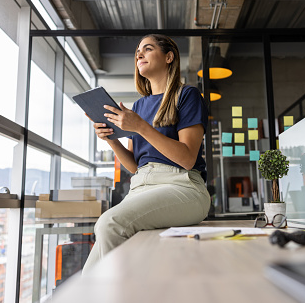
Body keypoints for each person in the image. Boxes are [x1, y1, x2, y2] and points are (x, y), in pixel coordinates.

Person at [82, 34, 211, 273]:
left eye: (147, 49)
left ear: (169, 57)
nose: (139, 54)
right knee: (88, 273)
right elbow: (134, 166)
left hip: (183, 187)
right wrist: (111, 139)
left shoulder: (187, 95)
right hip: (141, 187)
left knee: (109, 224)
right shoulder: (139, 107)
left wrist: (140, 126)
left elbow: (186, 159)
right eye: (137, 52)